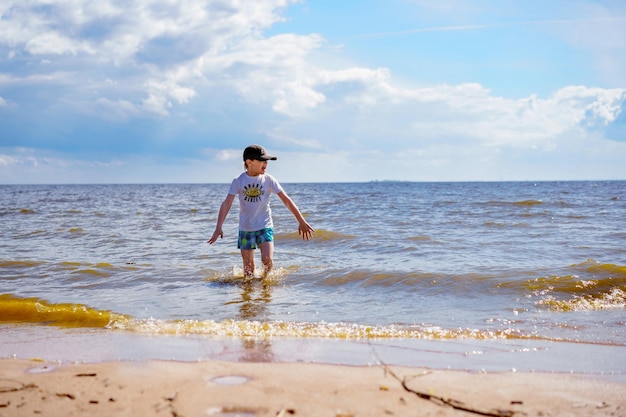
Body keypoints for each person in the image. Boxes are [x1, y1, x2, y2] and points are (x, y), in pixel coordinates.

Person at [208, 144, 314, 277]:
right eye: (262, 160)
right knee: (248, 269)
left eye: (266, 161)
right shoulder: (239, 181)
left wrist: (301, 221)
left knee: (267, 261)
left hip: (265, 226)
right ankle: (249, 295)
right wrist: (218, 227)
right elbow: (226, 203)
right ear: (249, 162)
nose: (266, 163)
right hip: (246, 228)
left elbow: (286, 200)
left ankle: (265, 290)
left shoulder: (269, 180)